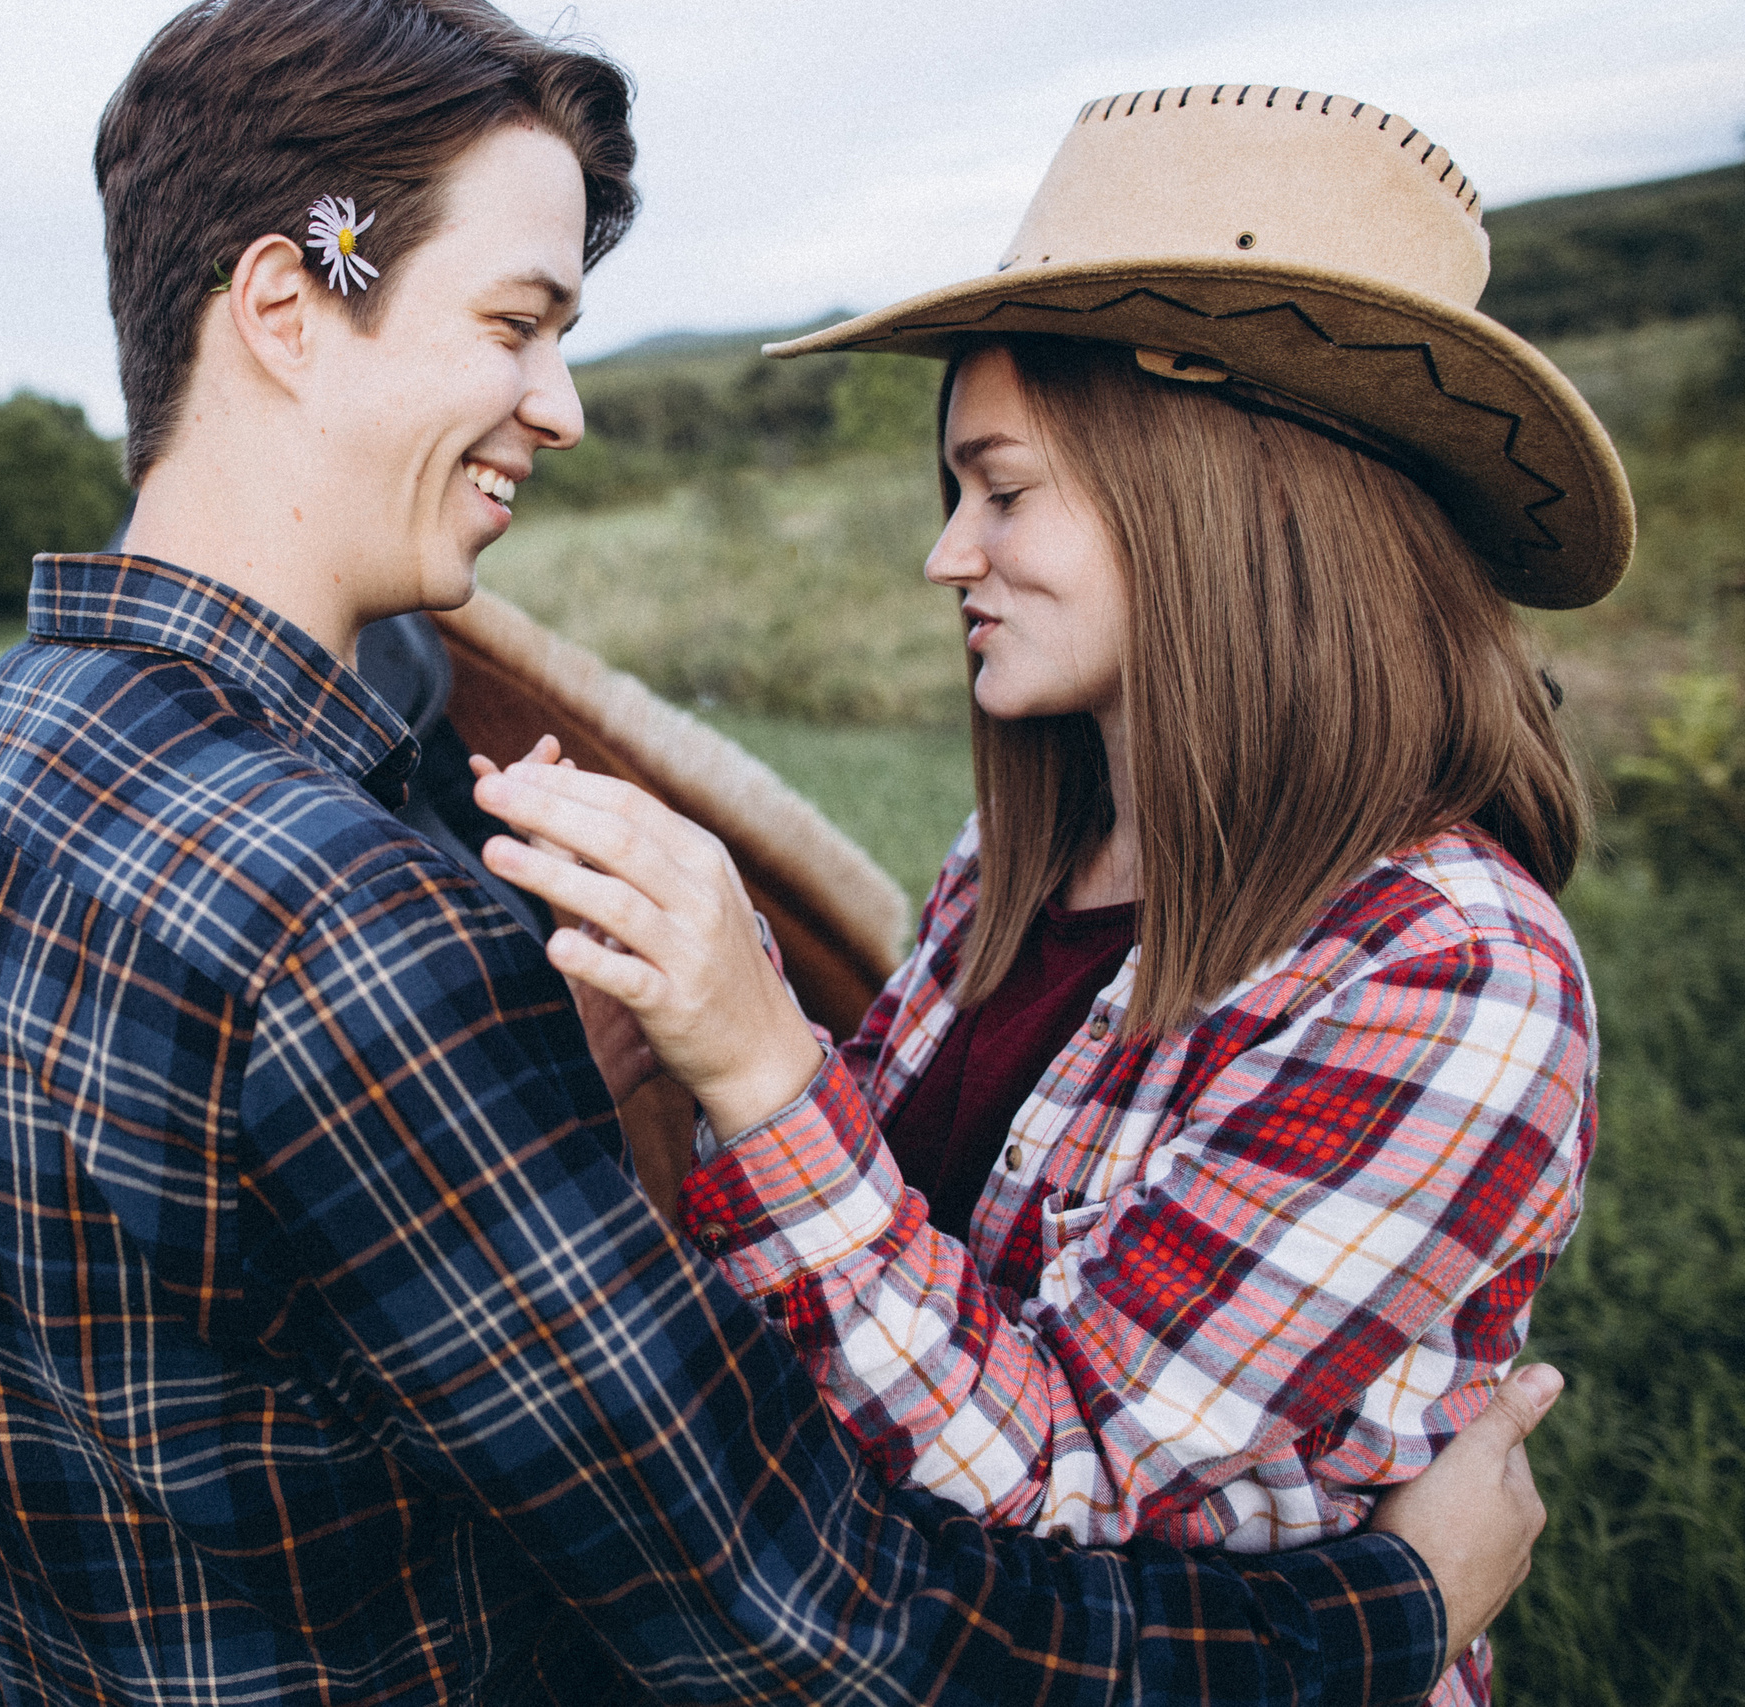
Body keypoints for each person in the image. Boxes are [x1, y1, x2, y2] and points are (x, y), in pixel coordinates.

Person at [0, 15, 1557, 1702]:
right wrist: (1394, 1609)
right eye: (516, 321)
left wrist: (626, 1105)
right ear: (286, 307)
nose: (564, 408)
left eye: (1001, 491)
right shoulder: (350, 922)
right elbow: (803, 1627)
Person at [469, 84, 1626, 1707]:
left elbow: (1064, 1465)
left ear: (1219, 499)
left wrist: (759, 1062)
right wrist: (647, 1073)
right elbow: (849, 1318)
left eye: (1002, 491)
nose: (951, 555)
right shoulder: (1018, 861)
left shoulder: (1450, 973)